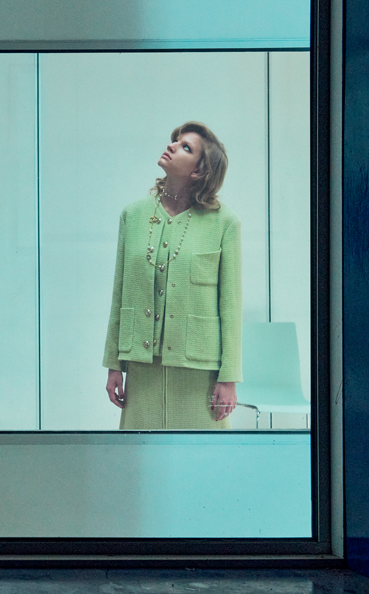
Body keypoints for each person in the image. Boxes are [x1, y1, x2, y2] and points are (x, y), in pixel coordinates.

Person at [103, 122, 242, 430]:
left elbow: (231, 308)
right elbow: (120, 293)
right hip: (142, 369)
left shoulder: (225, 223)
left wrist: (229, 378)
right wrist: (113, 364)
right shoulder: (133, 216)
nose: (172, 146)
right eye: (175, 141)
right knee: (141, 455)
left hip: (199, 374)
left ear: (199, 171)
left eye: (185, 147)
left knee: (201, 456)